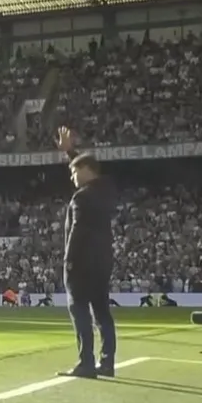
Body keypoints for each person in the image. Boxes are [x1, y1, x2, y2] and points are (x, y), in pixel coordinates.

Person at [55, 126, 117, 379]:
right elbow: (87, 166)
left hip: (81, 265)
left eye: (74, 172)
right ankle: (107, 362)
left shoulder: (81, 198)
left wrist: (68, 263)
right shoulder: (106, 190)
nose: (72, 178)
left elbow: (77, 232)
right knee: (102, 312)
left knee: (79, 310)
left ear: (86, 171)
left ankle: (86, 363)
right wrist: (71, 152)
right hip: (102, 263)